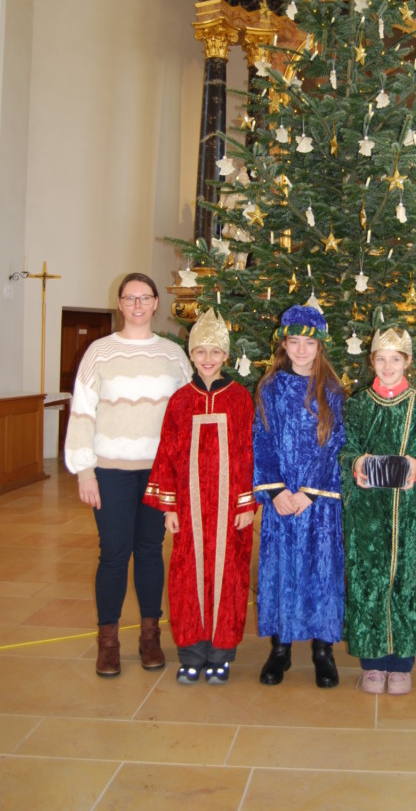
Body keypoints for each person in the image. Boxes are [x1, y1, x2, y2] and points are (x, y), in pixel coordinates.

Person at [64, 272, 192, 677]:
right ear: (119, 304)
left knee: (151, 553)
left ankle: (150, 637)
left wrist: (185, 474)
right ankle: (109, 643)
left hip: (159, 473)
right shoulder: (99, 353)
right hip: (111, 472)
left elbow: (189, 417)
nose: (137, 305)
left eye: (145, 297)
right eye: (129, 298)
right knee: (115, 555)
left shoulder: (173, 356)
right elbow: (82, 414)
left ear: (156, 304)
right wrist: (85, 472)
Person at [143, 309, 255, 684]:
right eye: (201, 351)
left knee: (230, 576)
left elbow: (246, 452)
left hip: (228, 511)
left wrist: (245, 503)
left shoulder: (240, 399)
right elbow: (167, 453)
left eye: (215, 352)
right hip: (189, 509)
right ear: (190, 355)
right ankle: (191, 652)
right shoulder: (180, 401)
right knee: (186, 576)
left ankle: (221, 653)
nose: (208, 359)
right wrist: (169, 506)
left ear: (225, 356)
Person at [252, 304, 345, 688]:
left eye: (309, 342)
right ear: (284, 344)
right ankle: (281, 647)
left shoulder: (332, 391)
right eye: (295, 341)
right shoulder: (270, 388)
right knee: (281, 571)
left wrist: (310, 492)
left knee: (321, 571)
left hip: (318, 503)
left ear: (320, 345)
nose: (302, 349)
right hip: (282, 502)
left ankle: (323, 649)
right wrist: (275, 491)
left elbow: (336, 445)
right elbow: (262, 440)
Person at [339, 327, 416, 696]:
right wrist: (358, 462)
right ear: (372, 362)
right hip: (367, 512)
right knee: (369, 579)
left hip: (408, 513)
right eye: (381, 359)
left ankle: (402, 664)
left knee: (407, 579)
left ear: (408, 362)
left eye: (396, 359)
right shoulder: (358, 404)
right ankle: (373, 662)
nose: (388, 366)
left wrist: (415, 466)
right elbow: (346, 451)